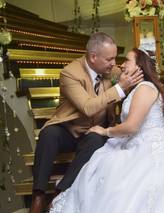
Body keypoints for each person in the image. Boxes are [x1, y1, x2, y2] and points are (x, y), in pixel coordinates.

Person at [49, 48, 164, 213]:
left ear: (140, 67)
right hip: (137, 141)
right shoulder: (138, 89)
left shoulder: (145, 88)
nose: (122, 64)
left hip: (149, 145)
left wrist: (104, 131)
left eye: (128, 60)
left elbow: (132, 126)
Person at [29, 33, 143, 213]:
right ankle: (38, 194)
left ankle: (59, 193)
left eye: (115, 58)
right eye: (109, 59)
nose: (114, 64)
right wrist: (119, 88)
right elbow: (88, 107)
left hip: (94, 131)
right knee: (48, 134)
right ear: (93, 57)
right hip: (69, 128)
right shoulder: (70, 73)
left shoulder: (110, 70)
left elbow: (132, 74)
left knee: (96, 141)